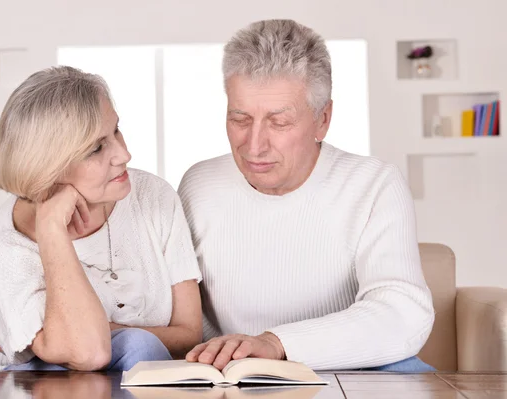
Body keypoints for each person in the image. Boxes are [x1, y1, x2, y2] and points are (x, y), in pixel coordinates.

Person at [179, 19, 435, 372]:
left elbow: (403, 314)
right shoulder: (199, 184)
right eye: (239, 119)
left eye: (279, 122)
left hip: (349, 371)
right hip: (234, 379)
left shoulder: (374, 183)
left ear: (323, 119)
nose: (254, 146)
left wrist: (276, 343)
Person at [0, 66, 203, 371]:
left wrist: (92, 331)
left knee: (139, 349)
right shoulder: (3, 247)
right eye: (96, 148)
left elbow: (189, 335)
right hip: (4, 384)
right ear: (48, 166)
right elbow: (88, 353)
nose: (124, 154)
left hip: (115, 377)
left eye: (116, 130)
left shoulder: (152, 196)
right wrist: (52, 231)